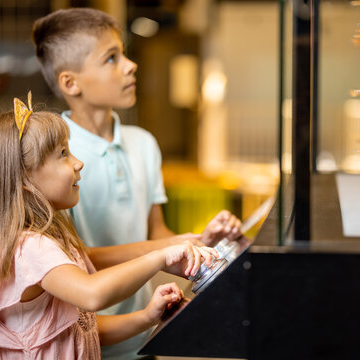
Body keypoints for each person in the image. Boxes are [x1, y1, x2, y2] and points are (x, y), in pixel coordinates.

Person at [31, 7, 242, 359]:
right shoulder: (55, 158)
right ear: (71, 82)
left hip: (145, 332)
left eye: (124, 53)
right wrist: (168, 249)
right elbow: (72, 262)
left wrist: (197, 242)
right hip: (85, 339)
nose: (131, 65)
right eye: (111, 58)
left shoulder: (144, 143)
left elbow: (155, 231)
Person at [0, 97, 217, 359]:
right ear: (25, 181)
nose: (78, 162)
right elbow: (92, 294)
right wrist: (160, 257)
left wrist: (147, 317)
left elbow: (82, 329)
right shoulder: (29, 248)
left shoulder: (55, 237)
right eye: (63, 154)